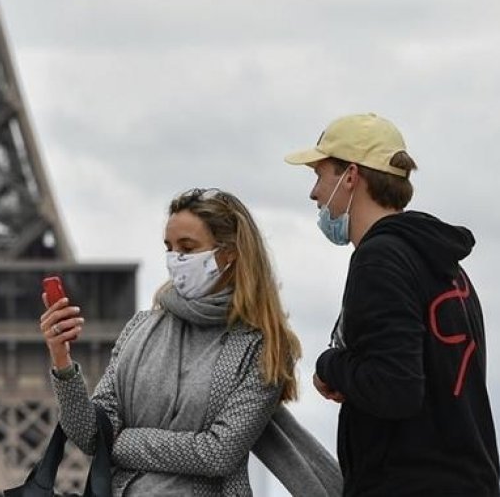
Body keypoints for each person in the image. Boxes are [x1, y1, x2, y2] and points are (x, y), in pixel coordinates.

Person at [39, 188, 341, 496]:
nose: (175, 259)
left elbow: (218, 454)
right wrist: (62, 362)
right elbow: (92, 438)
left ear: (229, 252)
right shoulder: (140, 328)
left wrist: (124, 441)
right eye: (169, 248)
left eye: (187, 248)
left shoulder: (261, 347)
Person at [285, 112, 500, 496]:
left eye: (320, 175)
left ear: (351, 176)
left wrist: (329, 366)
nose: (314, 193)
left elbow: (394, 388)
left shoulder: (379, 260)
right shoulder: (444, 264)